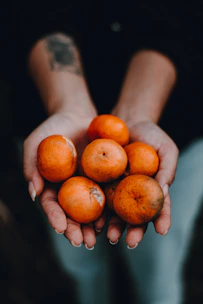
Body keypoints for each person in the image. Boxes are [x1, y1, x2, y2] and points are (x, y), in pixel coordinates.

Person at [10, 1, 203, 303]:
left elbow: (185, 19)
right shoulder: (76, 156)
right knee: (78, 256)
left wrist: (141, 112)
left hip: (173, 119)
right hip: (52, 107)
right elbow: (28, 12)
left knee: (158, 264)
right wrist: (67, 103)